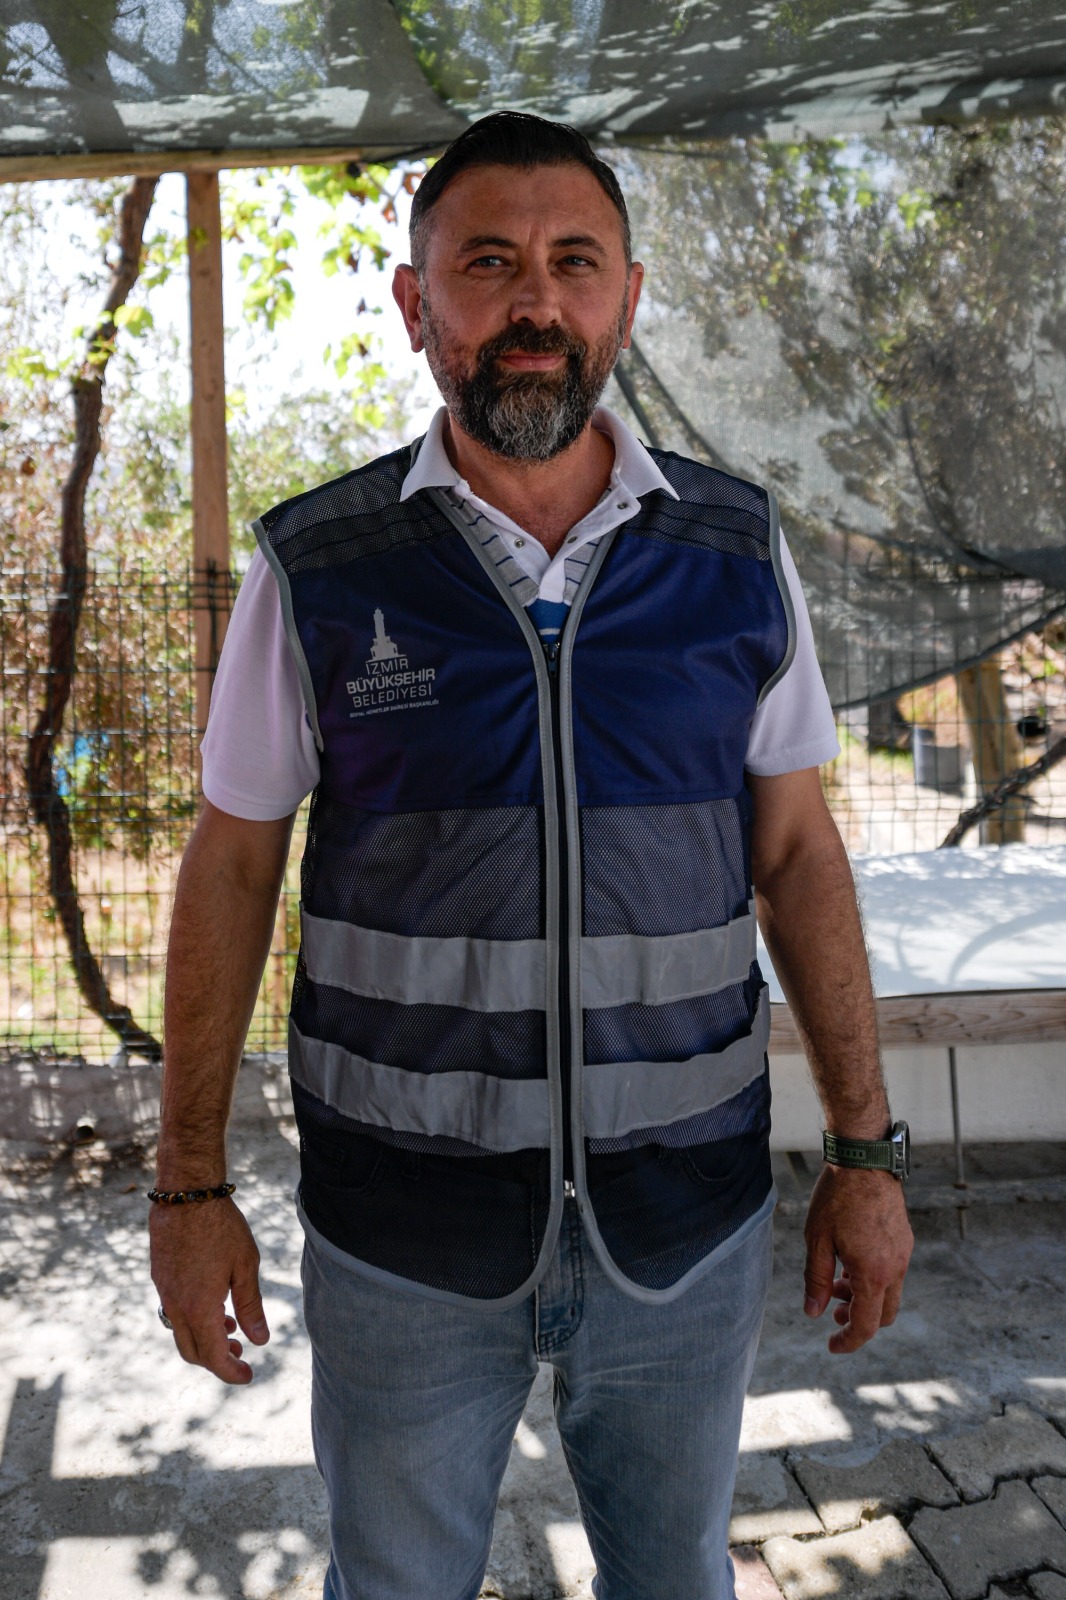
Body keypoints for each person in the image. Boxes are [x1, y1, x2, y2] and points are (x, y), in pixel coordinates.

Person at [150, 112, 912, 1600]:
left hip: (684, 1233)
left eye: (574, 262)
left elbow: (799, 854)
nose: (535, 304)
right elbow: (231, 867)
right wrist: (188, 1190)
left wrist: (865, 1154)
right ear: (415, 301)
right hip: (402, 1241)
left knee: (675, 1579)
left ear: (627, 296)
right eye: (487, 264)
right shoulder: (322, 567)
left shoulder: (733, 553)